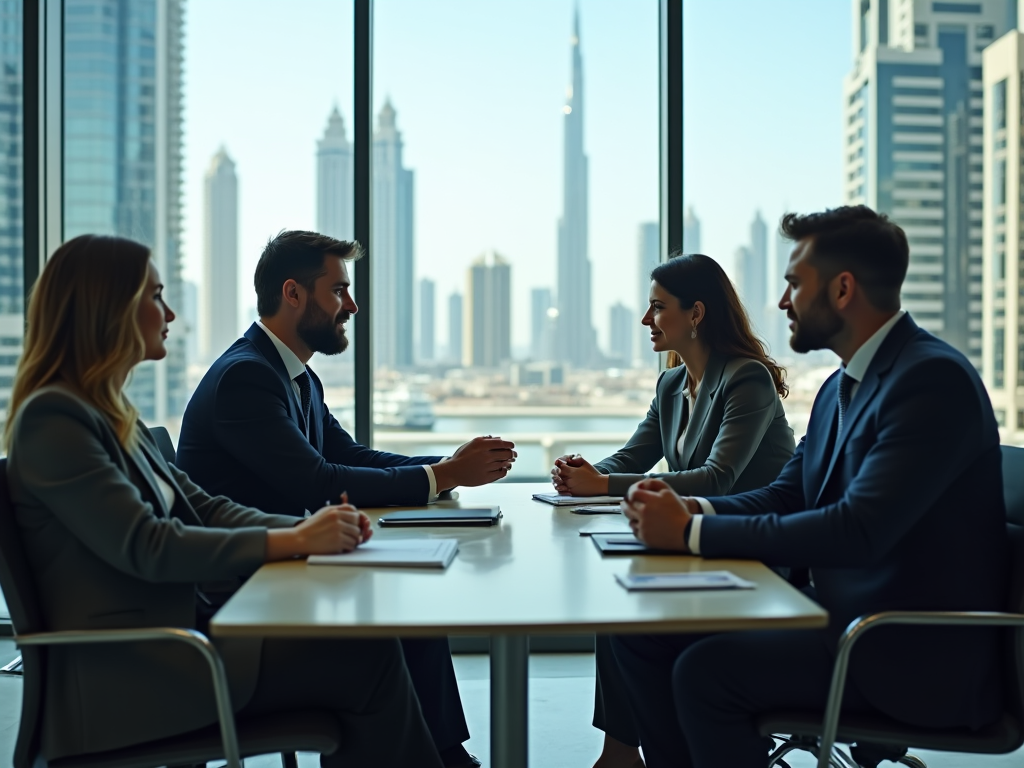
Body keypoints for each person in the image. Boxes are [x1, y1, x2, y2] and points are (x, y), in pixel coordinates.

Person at [5, 234, 443, 767]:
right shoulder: (55, 421)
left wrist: (310, 533)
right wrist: (294, 538)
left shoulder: (113, 416)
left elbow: (206, 506)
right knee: (367, 654)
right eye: (155, 296)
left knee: (371, 643)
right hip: (134, 672)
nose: (170, 313)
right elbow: (149, 545)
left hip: (179, 643)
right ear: (107, 309)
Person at [610, 206, 1009, 768]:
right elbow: (785, 494)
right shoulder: (840, 387)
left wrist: (694, 532)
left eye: (794, 284)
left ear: (843, 289)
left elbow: (857, 530)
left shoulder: (929, 380)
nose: (781, 302)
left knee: (706, 673)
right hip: (834, 616)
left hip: (904, 652)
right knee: (642, 634)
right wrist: (689, 507)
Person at [176, 230, 509, 767]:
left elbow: (350, 455)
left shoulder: (294, 375)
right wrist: (444, 473)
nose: (351, 306)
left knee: (412, 622)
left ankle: (445, 754)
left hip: (286, 573)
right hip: (247, 596)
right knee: (387, 632)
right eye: (339, 291)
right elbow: (321, 482)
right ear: (293, 293)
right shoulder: (246, 378)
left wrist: (446, 470)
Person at [550, 253, 795, 768]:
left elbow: (716, 478)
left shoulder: (746, 379)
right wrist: (583, 473)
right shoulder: (671, 384)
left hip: (753, 554)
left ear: (697, 313)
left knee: (628, 611)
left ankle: (631, 756)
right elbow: (633, 456)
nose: (646, 320)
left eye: (657, 308)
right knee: (615, 601)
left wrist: (605, 484)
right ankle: (619, 754)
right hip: (695, 545)